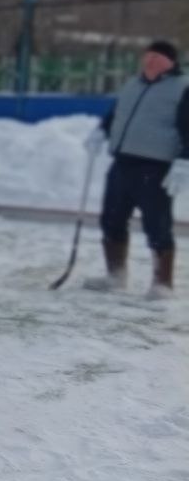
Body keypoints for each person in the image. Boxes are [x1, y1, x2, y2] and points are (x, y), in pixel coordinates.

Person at [83, 40, 189, 299]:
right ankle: (115, 275)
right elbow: (117, 113)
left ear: (171, 62)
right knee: (111, 218)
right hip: (122, 163)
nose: (150, 61)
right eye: (147, 56)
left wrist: (185, 160)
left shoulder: (183, 87)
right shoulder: (133, 84)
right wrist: (101, 130)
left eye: (157, 57)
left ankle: (163, 283)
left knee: (157, 224)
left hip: (154, 167)